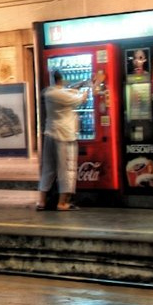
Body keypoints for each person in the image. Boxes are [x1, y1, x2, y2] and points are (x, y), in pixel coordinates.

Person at [39, 72, 89, 210]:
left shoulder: (49, 92)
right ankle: (62, 203)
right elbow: (81, 99)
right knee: (66, 170)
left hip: (49, 134)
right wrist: (91, 86)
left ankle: (41, 201)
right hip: (64, 136)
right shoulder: (61, 95)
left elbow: (67, 92)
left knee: (48, 169)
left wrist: (74, 88)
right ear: (61, 80)